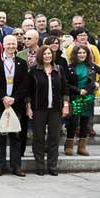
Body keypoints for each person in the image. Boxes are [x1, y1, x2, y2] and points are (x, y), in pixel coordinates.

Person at [26, 45, 69, 176]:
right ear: (40, 55)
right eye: (45, 54)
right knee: (38, 137)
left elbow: (65, 89)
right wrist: (28, 107)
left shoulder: (59, 70)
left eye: (49, 54)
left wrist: (66, 104)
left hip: (55, 109)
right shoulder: (34, 70)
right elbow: (28, 91)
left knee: (54, 137)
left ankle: (52, 166)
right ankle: (40, 165)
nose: (47, 56)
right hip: (39, 108)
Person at [0, 35, 28, 176]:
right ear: (3, 44)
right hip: (0, 104)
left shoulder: (22, 63)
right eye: (8, 44)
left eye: (13, 43)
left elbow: (25, 84)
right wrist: (3, 97)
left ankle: (16, 166)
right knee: (1, 135)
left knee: (16, 136)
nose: (11, 46)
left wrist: (14, 98)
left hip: (16, 104)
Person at [66, 44, 100, 156]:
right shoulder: (70, 67)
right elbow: (66, 84)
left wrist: (98, 83)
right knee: (73, 122)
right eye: (79, 53)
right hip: (76, 97)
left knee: (85, 122)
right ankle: (69, 145)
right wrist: (78, 90)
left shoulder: (92, 66)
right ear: (75, 54)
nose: (82, 55)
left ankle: (82, 146)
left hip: (88, 97)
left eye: (84, 52)